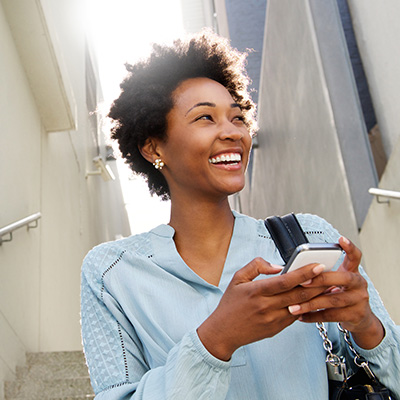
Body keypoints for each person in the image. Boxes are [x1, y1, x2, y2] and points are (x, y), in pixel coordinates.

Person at [80, 30, 400, 399]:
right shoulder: (112, 273)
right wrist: (217, 338)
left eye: (237, 118)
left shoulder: (307, 236)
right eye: (205, 118)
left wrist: (365, 326)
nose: (233, 133)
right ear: (153, 146)